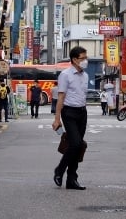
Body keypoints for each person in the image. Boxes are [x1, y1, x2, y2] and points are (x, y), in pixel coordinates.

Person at [52, 46, 90, 190]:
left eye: (86, 58)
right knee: (74, 143)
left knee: (79, 145)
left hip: (82, 112)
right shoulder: (65, 75)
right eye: (83, 58)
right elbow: (60, 97)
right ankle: (59, 170)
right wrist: (57, 119)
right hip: (69, 112)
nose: (85, 61)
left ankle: (72, 179)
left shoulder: (85, 75)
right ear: (74, 59)